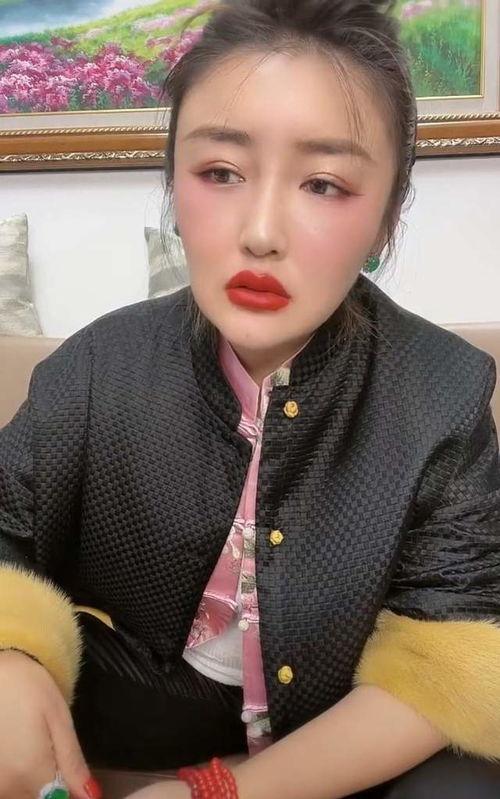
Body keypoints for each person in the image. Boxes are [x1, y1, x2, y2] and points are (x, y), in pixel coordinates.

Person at [1, 0, 500, 798]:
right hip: (139, 721)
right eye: (221, 173)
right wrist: (12, 658)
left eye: (325, 184)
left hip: (339, 746)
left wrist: (216, 793)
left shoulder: (443, 392)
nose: (261, 230)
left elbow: (453, 649)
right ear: (174, 186)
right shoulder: (97, 368)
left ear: (386, 219)